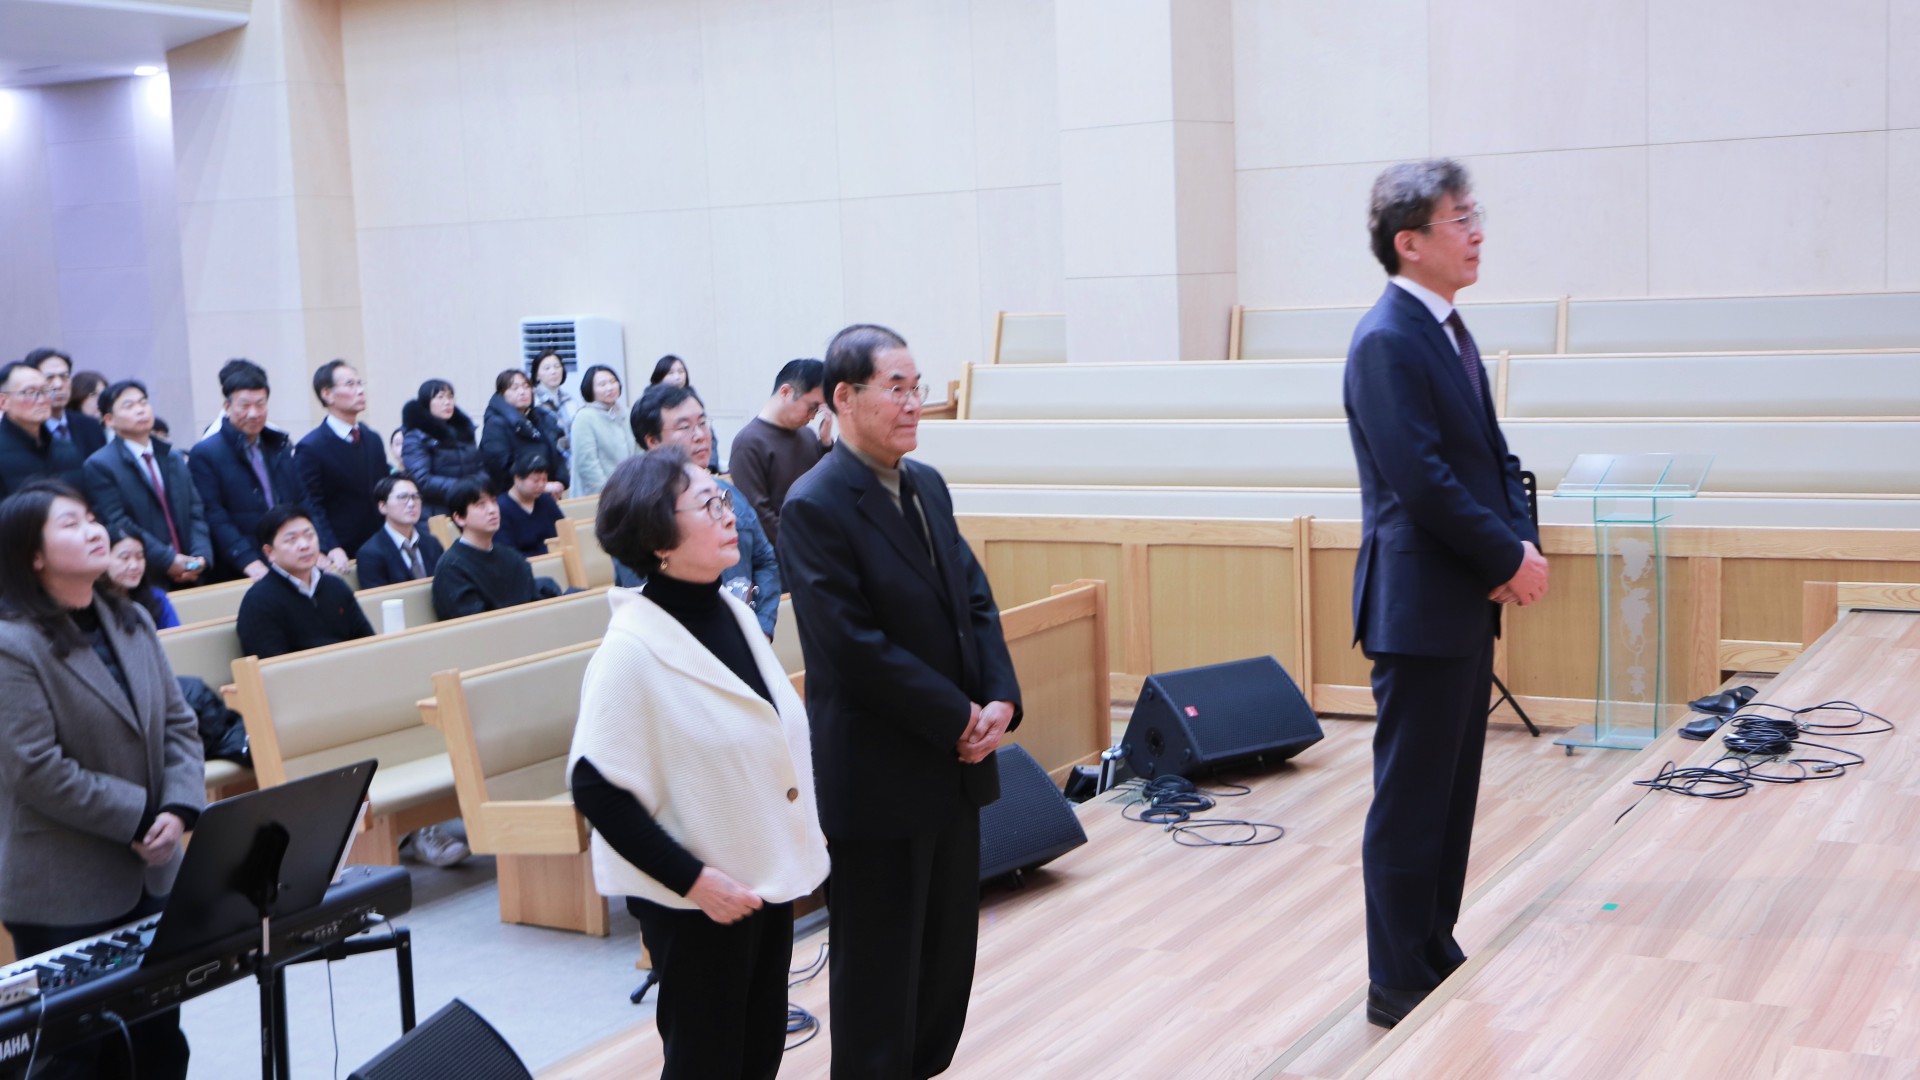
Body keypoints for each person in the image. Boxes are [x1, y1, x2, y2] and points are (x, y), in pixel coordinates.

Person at [779, 323, 1023, 1079]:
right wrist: (957, 717)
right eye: (897, 388)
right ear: (844, 398)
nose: (915, 403)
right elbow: (853, 648)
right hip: (880, 775)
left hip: (953, 767)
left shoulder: (927, 484)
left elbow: (973, 598)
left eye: (918, 387)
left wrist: (998, 697)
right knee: (880, 975)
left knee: (944, 962)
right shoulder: (814, 504)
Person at [1344, 160, 1548, 1029]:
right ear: (1410, 242)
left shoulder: (1449, 330)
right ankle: (1395, 977)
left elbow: (1494, 459)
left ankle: (1433, 945)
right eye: (1460, 220)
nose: (1477, 233)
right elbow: (1421, 480)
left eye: (1475, 216)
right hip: (1419, 605)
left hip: (1463, 597)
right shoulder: (1387, 338)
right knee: (1412, 800)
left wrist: (1522, 544)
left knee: (1452, 795)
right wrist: (1503, 554)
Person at [569, 446, 829, 1080]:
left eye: (723, 497)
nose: (728, 513)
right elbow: (595, 788)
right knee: (706, 1065)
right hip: (697, 903)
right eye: (708, 504)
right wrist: (696, 882)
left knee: (758, 1055)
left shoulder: (731, 611)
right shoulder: (631, 649)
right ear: (659, 540)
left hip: (761, 878)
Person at [0, 480, 204, 1080]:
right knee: (77, 1059)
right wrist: (139, 818)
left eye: (92, 518)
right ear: (33, 556)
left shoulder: (131, 618)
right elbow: (35, 767)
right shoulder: (12, 644)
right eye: (70, 524)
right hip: (63, 883)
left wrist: (179, 808)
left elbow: (179, 724)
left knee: (158, 1043)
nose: (94, 530)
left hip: (152, 870)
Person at [626, 384, 780, 638]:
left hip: (745, 634)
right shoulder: (642, 512)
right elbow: (643, 593)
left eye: (702, 422)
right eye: (684, 427)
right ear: (653, 441)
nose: (699, 435)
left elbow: (765, 560)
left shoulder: (729, 493)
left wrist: (761, 627)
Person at [83, 380, 212, 591]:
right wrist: (168, 560)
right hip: (145, 578)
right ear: (109, 420)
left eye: (143, 402)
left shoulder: (173, 457)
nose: (140, 410)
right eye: (129, 406)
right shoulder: (100, 465)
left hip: (192, 574)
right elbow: (118, 522)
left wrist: (199, 557)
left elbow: (195, 510)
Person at [189, 359, 302, 581]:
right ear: (227, 407)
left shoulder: (278, 445)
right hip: (242, 568)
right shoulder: (206, 452)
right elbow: (214, 516)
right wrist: (247, 560)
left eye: (260, 404)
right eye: (245, 406)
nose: (253, 413)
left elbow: (301, 499)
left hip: (288, 556)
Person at [234, 505, 375, 660]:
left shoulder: (336, 586)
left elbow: (368, 643)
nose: (304, 545)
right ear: (270, 552)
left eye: (309, 535)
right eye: (291, 540)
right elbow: (271, 667)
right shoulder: (259, 601)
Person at [296, 359, 389, 570]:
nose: (360, 391)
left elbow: (384, 490)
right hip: (342, 553)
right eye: (350, 384)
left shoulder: (372, 438)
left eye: (360, 383)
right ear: (327, 394)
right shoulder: (311, 447)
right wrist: (330, 546)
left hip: (381, 544)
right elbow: (311, 505)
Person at [728, 358, 831, 546]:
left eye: (817, 410)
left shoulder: (808, 435)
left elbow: (826, 487)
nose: (812, 416)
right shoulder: (748, 443)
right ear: (785, 392)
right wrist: (800, 547)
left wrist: (826, 444)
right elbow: (758, 514)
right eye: (812, 407)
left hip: (817, 546)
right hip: (783, 553)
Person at [431, 479, 564, 620]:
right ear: (459, 518)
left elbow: (534, 604)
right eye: (481, 505)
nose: (492, 510)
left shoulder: (512, 557)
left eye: (494, 502)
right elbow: (471, 624)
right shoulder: (451, 568)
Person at [0, 360, 89, 497]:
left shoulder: (67, 449)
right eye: (30, 392)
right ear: (3, 402)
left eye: (45, 391)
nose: (42, 400)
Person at [400, 378, 487, 518]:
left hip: (468, 506)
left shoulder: (464, 432)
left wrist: (479, 484)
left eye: (450, 397)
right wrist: (462, 487)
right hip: (436, 512)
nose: (447, 402)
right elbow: (422, 480)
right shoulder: (416, 437)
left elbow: (480, 466)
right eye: (440, 397)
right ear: (426, 402)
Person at [481, 367, 569, 495]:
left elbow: (558, 452)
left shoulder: (542, 417)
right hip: (513, 497)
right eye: (515, 388)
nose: (522, 392)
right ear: (502, 394)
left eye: (526, 386)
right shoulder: (496, 425)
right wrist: (540, 486)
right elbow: (500, 468)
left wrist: (560, 481)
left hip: (549, 493)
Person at [355, 475, 443, 588]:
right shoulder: (370, 553)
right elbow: (377, 597)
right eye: (403, 497)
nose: (411, 504)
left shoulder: (432, 543)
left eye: (415, 497)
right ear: (382, 506)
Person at [568, 363, 637, 497]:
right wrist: (608, 494)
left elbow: (638, 453)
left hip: (629, 492)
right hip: (599, 495)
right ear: (590, 389)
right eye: (602, 384)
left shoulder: (626, 413)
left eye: (613, 381)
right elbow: (587, 464)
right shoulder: (585, 417)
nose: (609, 387)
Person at [26, 348, 109, 456]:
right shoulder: (23, 429)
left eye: (64, 376)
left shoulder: (90, 427)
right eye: (49, 378)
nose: (58, 385)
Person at [107, 530, 181, 630]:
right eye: (125, 557)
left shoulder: (157, 598)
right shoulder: (96, 603)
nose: (134, 566)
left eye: (139, 557)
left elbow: (174, 636)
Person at [498, 451, 565, 558]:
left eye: (544, 480)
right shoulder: (501, 508)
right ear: (517, 479)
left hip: (555, 558)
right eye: (536, 481)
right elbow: (506, 552)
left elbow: (564, 533)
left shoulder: (547, 501)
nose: (541, 485)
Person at [531, 349, 582, 434]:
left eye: (557, 366)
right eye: (547, 368)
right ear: (536, 375)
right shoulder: (533, 401)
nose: (553, 372)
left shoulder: (569, 400)